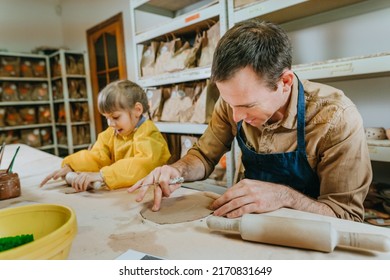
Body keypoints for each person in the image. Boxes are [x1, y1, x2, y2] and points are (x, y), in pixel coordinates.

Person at [127, 19, 372, 222]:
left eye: (247, 106)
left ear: (284, 82)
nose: (235, 117)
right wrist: (175, 170)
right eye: (230, 104)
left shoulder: (336, 118)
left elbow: (345, 215)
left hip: (310, 238)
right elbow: (203, 156)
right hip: (249, 224)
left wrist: (284, 197)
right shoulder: (232, 103)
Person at [40, 79, 171, 192]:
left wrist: (102, 175)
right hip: (123, 192)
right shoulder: (112, 133)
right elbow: (97, 156)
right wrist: (71, 165)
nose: (110, 123)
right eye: (106, 118)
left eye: (115, 117)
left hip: (149, 192)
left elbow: (142, 165)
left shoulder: (148, 133)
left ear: (137, 110)